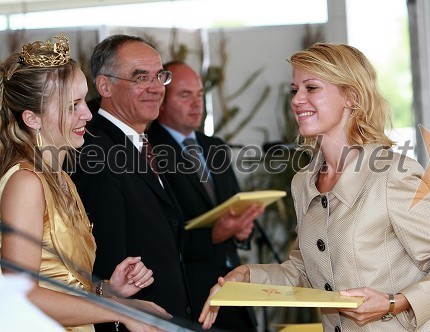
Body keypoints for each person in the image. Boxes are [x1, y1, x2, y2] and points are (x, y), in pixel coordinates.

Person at [199, 43, 430, 331]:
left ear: (351, 97)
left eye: (312, 88)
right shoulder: (304, 183)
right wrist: (245, 276)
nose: (297, 100)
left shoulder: (392, 175)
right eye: (295, 90)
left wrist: (393, 303)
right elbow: (306, 270)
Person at [0, 34, 169, 331]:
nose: (87, 114)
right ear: (32, 118)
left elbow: (60, 283)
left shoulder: (59, 178)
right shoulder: (26, 183)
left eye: (83, 100)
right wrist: (121, 311)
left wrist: (107, 289)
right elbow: (19, 296)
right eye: (72, 105)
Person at [70, 34, 194, 329]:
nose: (155, 88)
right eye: (140, 78)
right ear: (104, 86)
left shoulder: (140, 143)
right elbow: (102, 264)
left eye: (159, 76)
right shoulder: (94, 151)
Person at [146, 61, 264, 331]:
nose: (197, 103)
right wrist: (213, 234)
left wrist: (243, 229)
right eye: (185, 95)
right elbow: (157, 234)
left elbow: (234, 203)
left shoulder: (215, 146)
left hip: (231, 285)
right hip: (188, 291)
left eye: (199, 94)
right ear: (161, 101)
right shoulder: (149, 150)